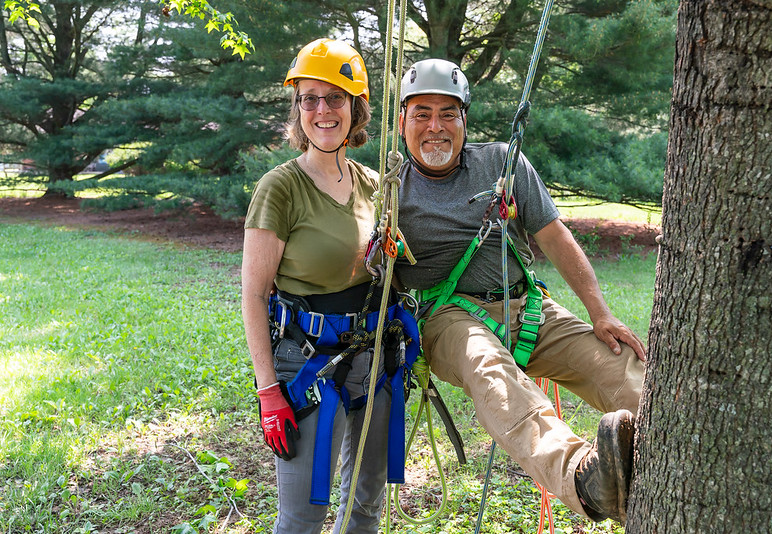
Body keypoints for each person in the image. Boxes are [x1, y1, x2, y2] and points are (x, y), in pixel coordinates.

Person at [392, 59, 647, 525]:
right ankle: (585, 480)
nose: (435, 127)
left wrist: (600, 313)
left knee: (619, 365)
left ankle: (677, 439)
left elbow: (553, 236)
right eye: (421, 113)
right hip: (446, 318)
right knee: (491, 373)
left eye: (448, 113)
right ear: (402, 121)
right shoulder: (389, 191)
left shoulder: (501, 164)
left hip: (527, 306)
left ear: (465, 119)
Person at [241, 39, 418, 534]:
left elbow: (388, 274)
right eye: (309, 99)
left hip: (376, 361)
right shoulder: (280, 188)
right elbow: (254, 295)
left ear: (356, 108)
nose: (322, 110)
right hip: (309, 366)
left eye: (335, 98)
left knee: (365, 507)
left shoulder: (374, 184)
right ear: (297, 109)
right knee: (303, 517)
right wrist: (268, 392)